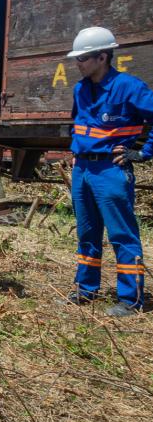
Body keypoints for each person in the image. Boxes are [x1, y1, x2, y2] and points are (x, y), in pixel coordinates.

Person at [64, 26, 153, 316]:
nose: (77, 63)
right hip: (83, 169)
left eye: (83, 58)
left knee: (121, 234)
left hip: (110, 171)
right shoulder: (80, 89)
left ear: (102, 57)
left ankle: (131, 299)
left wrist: (142, 153)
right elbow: (79, 125)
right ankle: (85, 290)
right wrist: (77, 152)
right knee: (87, 233)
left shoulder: (129, 86)